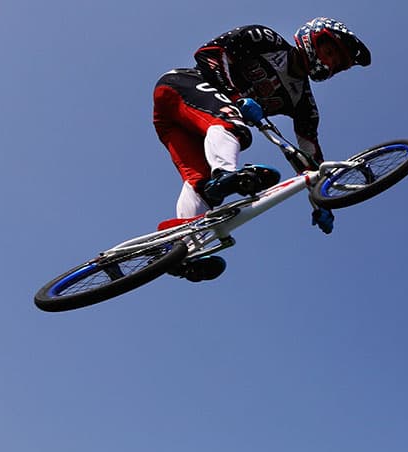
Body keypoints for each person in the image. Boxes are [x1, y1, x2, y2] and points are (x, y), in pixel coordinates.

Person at [151, 17, 371, 281]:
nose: (330, 63)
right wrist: (237, 97)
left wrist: (321, 199)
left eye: (337, 63)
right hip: (180, 86)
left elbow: (310, 157)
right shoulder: (264, 39)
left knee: (200, 183)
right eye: (330, 52)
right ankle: (224, 174)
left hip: (184, 124)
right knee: (234, 125)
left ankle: (180, 249)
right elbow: (209, 54)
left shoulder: (304, 104)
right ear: (313, 38)